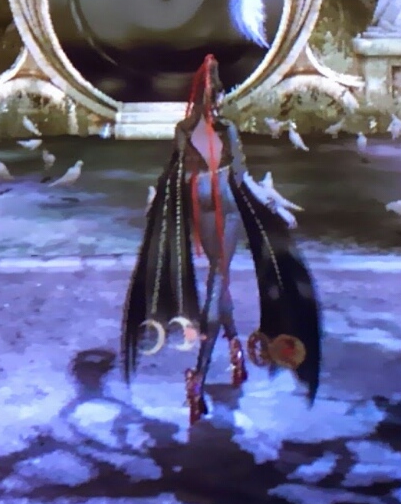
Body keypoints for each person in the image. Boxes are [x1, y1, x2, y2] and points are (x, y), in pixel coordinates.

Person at [121, 55, 323, 425]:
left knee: (220, 277)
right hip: (223, 201)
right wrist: (272, 207)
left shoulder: (184, 128)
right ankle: (198, 376)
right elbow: (240, 177)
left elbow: (177, 172)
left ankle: (234, 347)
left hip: (196, 200)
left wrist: (165, 205)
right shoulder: (226, 129)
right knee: (218, 277)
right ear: (217, 95)